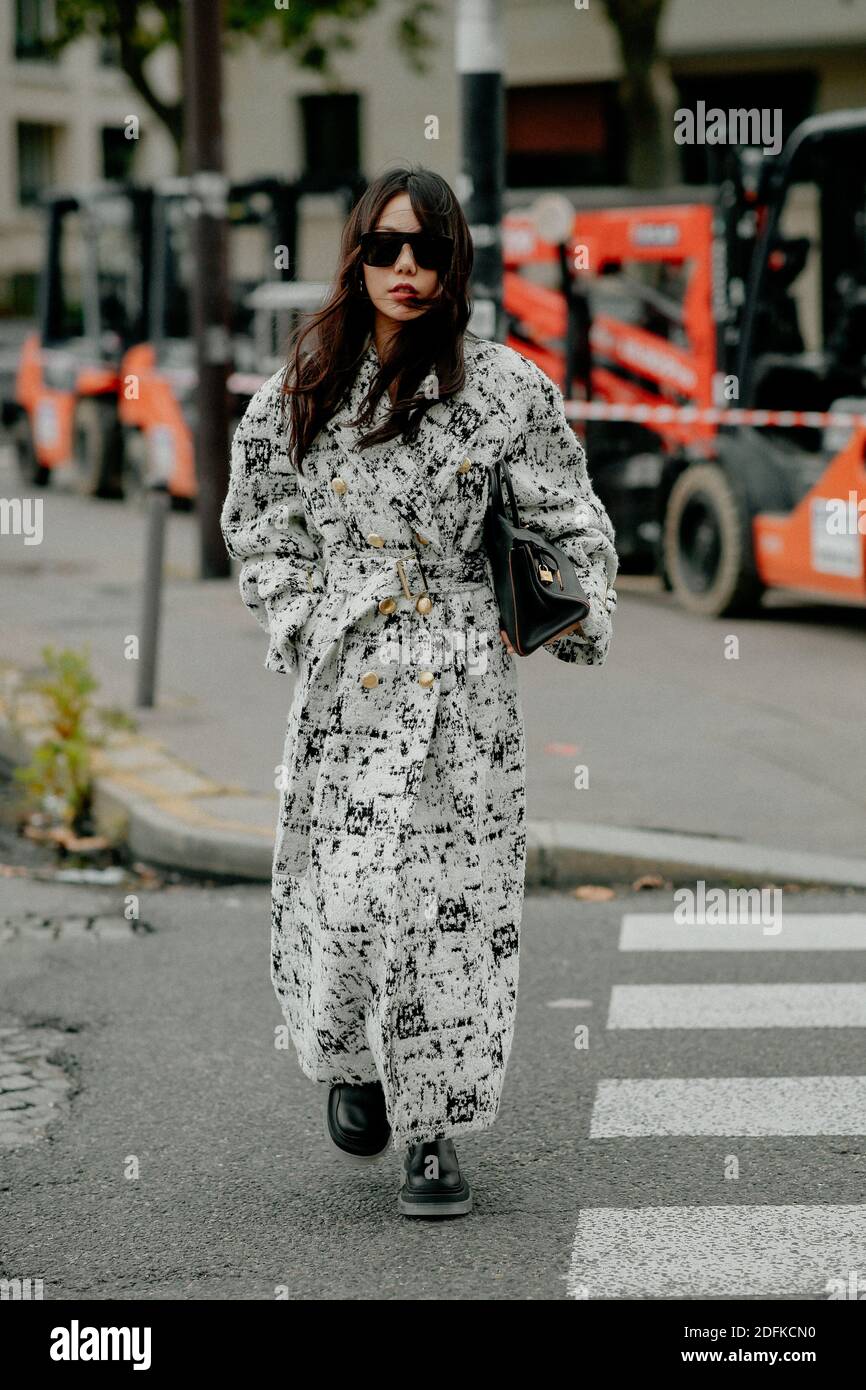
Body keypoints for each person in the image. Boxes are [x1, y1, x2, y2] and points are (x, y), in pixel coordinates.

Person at [220, 165, 618, 1219]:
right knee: (346, 895)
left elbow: (571, 520)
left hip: (465, 691)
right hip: (347, 675)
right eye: (387, 247)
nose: (407, 268)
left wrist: (569, 614)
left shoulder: (503, 388)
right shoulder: (304, 380)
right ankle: (351, 1059)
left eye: (428, 250)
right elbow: (258, 517)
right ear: (357, 255)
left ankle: (434, 1134)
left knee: (452, 911)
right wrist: (301, 616)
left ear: (456, 264)